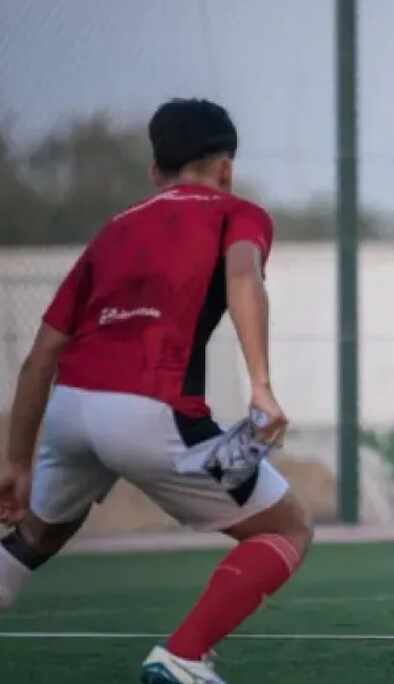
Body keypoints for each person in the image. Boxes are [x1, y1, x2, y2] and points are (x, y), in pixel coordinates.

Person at [0, 99, 312, 684]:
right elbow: (244, 275)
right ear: (225, 167)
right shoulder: (235, 212)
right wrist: (262, 386)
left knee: (36, 536)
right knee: (287, 528)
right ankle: (183, 656)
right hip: (152, 412)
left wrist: (16, 459)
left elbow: (41, 354)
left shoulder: (113, 230)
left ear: (155, 173)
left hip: (70, 407)